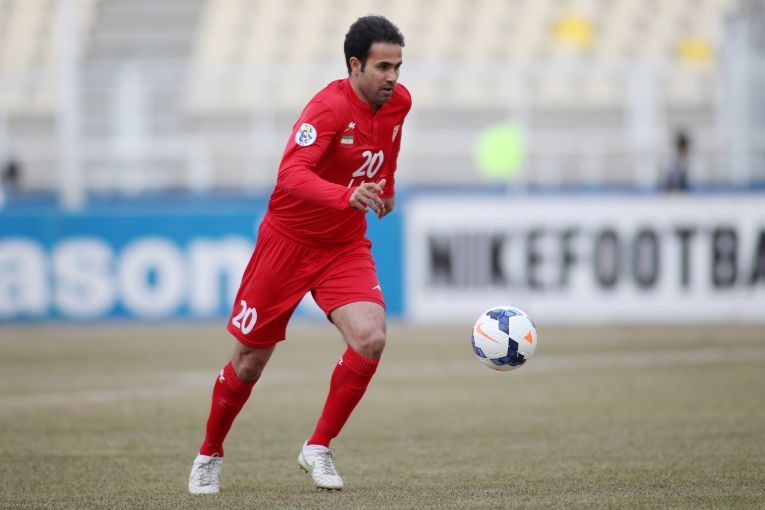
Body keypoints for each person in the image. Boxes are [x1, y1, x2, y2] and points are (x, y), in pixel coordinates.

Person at [188, 15, 411, 494]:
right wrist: (345, 196)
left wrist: (386, 188)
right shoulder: (327, 109)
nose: (392, 77)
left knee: (370, 337)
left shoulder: (399, 102)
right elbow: (290, 175)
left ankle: (318, 447)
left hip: (343, 246)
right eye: (383, 67)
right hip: (286, 245)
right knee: (249, 362)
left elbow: (389, 146)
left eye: (397, 66)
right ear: (355, 65)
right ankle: (209, 453)